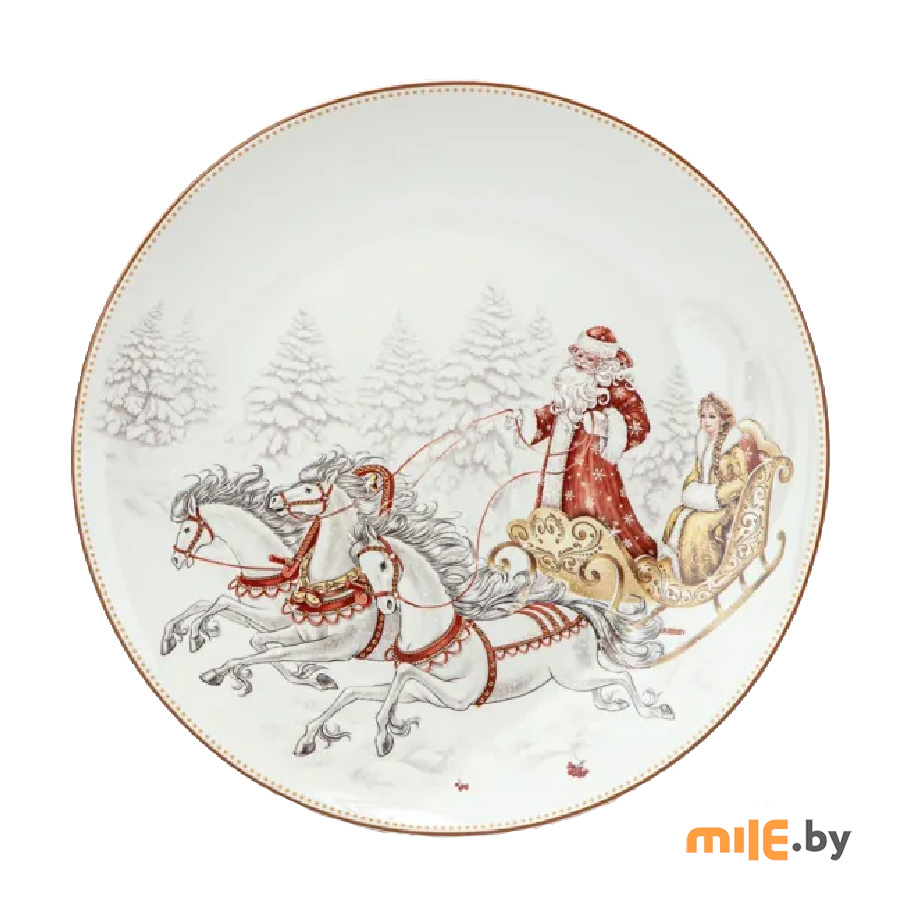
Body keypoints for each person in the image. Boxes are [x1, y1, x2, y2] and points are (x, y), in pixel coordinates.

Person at [511, 325, 657, 558]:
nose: (581, 362)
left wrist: (603, 423)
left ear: (603, 363)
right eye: (578, 355)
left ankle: (603, 558)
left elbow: (640, 423)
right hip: (558, 462)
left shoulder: (616, 388)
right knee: (557, 508)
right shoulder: (571, 384)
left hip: (592, 464)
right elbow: (553, 414)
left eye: (589, 358)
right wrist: (527, 420)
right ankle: (556, 555)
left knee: (594, 508)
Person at [661, 393, 758, 584]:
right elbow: (696, 474)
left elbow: (741, 481)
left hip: (726, 505)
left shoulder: (733, 449)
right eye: (703, 416)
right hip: (704, 502)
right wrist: (691, 490)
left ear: (723, 420)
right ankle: (675, 572)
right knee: (676, 516)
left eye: (712, 416)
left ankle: (698, 578)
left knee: (696, 525)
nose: (706, 421)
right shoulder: (703, 445)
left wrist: (715, 496)